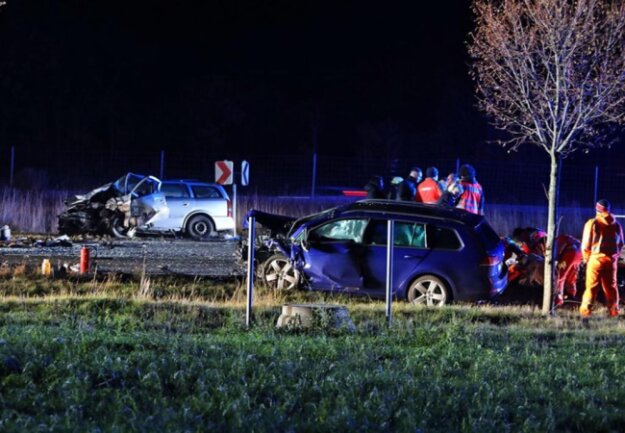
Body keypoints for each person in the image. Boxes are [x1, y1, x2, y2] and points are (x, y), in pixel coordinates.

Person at [580, 199, 624, 317]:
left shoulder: (592, 223)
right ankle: (614, 311)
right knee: (611, 287)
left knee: (591, 287)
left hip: (595, 260)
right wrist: (615, 257)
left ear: (597, 209)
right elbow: (621, 245)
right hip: (611, 261)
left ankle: (586, 312)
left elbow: (585, 245)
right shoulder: (617, 225)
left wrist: (586, 259)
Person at [532, 233, 583, 306]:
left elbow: (553, 260)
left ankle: (558, 300)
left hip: (570, 253)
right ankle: (571, 294)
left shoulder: (552, 243)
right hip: (580, 253)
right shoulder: (560, 239)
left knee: (559, 276)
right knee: (572, 275)